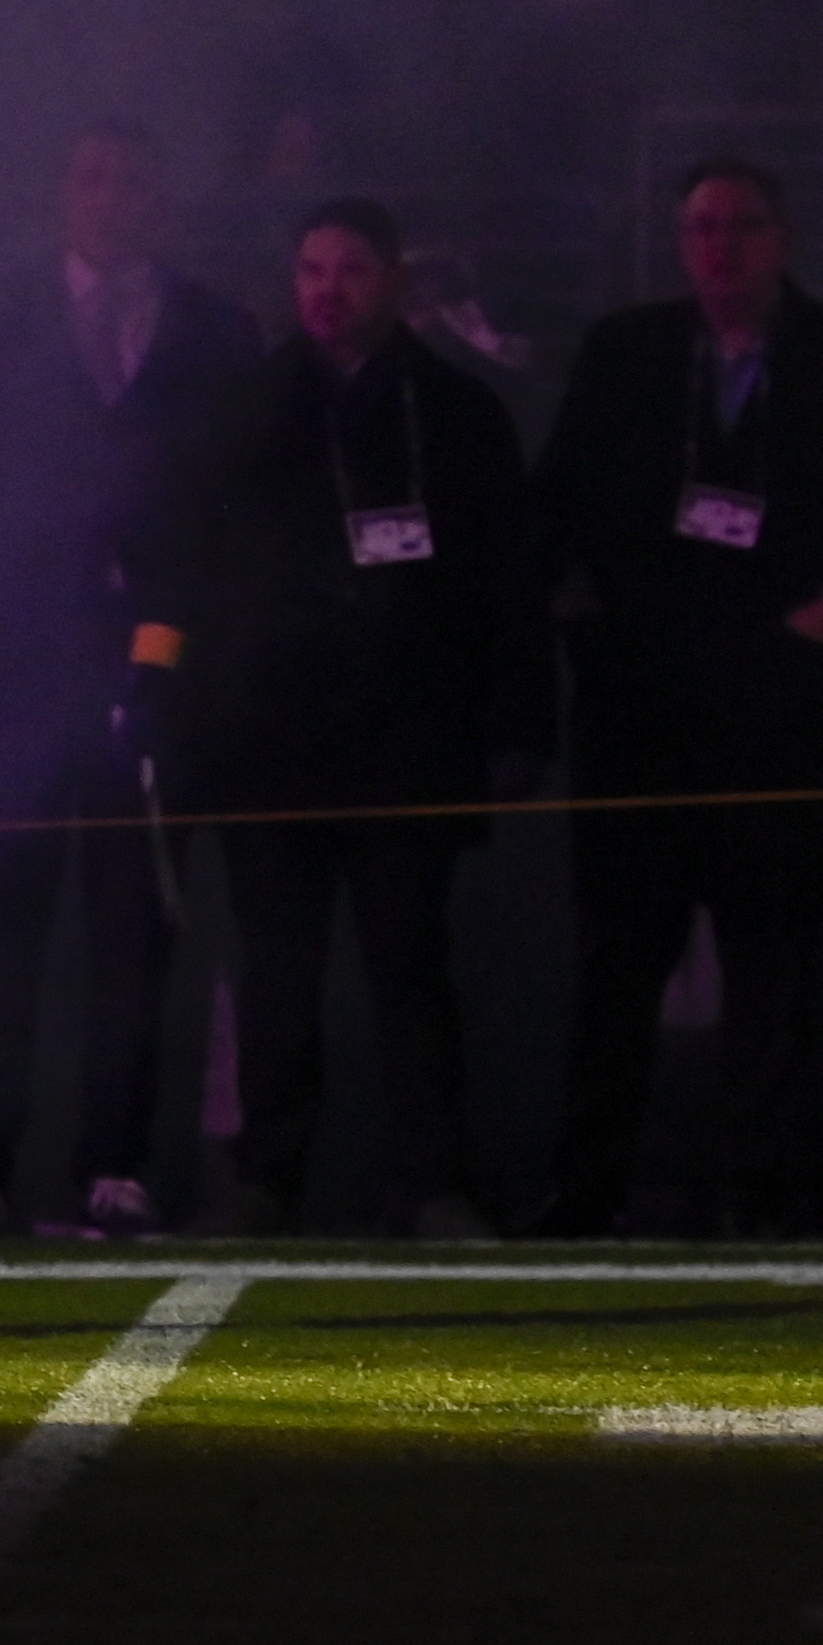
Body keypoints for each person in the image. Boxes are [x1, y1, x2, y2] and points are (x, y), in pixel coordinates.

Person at [145, 199, 548, 1237]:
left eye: (352, 270)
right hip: (267, 743)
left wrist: (520, 726)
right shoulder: (239, 408)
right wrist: (157, 691)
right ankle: (266, 1179)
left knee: (412, 972)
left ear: (397, 281)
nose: (328, 291)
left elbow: (511, 583)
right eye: (312, 271)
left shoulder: (457, 411)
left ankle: (437, 1182)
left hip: (408, 742)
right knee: (275, 976)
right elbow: (176, 573)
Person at [533, 162, 823, 1235]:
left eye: (740, 226)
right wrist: (585, 625)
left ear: (783, 237)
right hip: (641, 715)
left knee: (774, 974)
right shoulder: (625, 352)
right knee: (617, 972)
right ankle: (587, 1197)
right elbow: (558, 502)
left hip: (782, 713)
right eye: (700, 227)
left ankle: (761, 1203)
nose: (719, 246)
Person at [0, 122, 262, 1241]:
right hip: (14, 673)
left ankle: (117, 1166)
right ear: (62, 191)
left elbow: (236, 514)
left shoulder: (215, 330)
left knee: (135, 937)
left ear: (160, 196)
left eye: (132, 178)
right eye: (92, 177)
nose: (111, 196)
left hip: (154, 672)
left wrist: (193, 657)